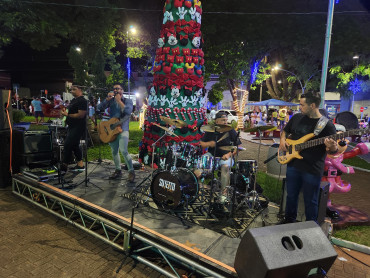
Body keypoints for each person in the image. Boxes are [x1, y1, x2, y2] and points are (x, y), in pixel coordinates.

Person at [279, 91, 337, 223]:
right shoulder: (297, 118)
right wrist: (282, 141)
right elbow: (285, 131)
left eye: (302, 105)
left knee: (311, 201)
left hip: (312, 169)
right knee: (291, 196)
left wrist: (332, 146)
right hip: (293, 164)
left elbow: (334, 150)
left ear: (312, 105)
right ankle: (288, 222)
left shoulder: (326, 125)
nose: (300, 107)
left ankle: (311, 228)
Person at [200, 111, 241, 205]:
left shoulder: (230, 130)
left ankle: (224, 194)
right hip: (212, 155)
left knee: (225, 166)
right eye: (223, 120)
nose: (225, 122)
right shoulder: (210, 130)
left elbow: (237, 148)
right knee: (202, 160)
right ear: (217, 121)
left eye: (226, 120)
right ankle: (199, 187)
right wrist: (208, 144)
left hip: (226, 157)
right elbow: (202, 144)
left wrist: (228, 155)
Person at [97, 83, 135, 181]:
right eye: (114, 89)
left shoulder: (128, 101)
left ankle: (131, 171)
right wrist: (106, 100)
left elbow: (127, 112)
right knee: (114, 151)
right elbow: (99, 108)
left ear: (122, 91)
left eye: (118, 88)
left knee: (123, 150)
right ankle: (118, 170)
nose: (116, 90)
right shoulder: (111, 101)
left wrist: (119, 101)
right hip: (112, 130)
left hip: (123, 129)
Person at [60, 85, 88, 172]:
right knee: (75, 145)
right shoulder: (73, 100)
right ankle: (80, 165)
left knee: (68, 144)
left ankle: (64, 165)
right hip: (72, 126)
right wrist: (65, 113)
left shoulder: (83, 101)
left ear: (80, 90)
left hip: (78, 126)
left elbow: (81, 115)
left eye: (74, 89)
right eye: (71, 90)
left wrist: (67, 115)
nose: (72, 91)